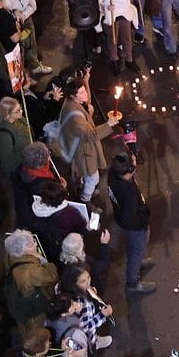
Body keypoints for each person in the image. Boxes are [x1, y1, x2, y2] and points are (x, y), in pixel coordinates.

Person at [59, 77, 122, 203]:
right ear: (73, 96)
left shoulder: (71, 103)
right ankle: (85, 199)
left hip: (79, 144)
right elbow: (90, 135)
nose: (86, 94)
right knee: (93, 178)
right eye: (81, 93)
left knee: (87, 176)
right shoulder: (75, 117)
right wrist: (108, 124)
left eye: (85, 91)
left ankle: (83, 186)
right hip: (83, 151)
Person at [107, 153, 156, 294]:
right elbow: (130, 218)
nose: (135, 159)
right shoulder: (128, 193)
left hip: (121, 218)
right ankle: (133, 283)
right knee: (137, 250)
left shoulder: (113, 173)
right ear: (130, 172)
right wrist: (143, 221)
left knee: (135, 250)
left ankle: (138, 261)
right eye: (133, 163)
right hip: (135, 228)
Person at [4, 229, 59, 332]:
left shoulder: (9, 255)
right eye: (33, 243)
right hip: (34, 309)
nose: (36, 244)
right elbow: (52, 277)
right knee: (35, 330)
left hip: (16, 299)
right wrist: (42, 259)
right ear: (28, 248)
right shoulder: (31, 270)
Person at [95, 0, 140, 75]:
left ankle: (129, 59)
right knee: (112, 40)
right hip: (111, 14)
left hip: (124, 11)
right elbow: (98, 4)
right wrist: (106, 7)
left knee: (127, 38)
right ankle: (114, 60)